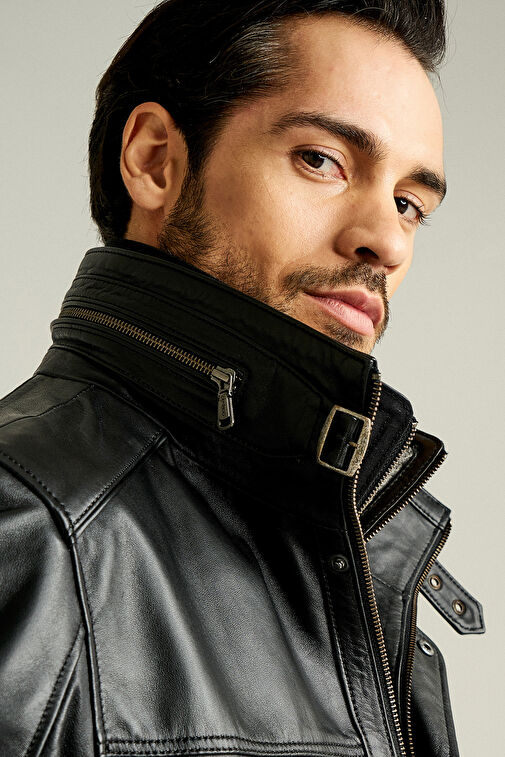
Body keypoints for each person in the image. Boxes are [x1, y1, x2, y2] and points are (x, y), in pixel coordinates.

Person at [0, 1, 485, 756]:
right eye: (321, 160)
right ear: (156, 160)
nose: (386, 241)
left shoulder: (350, 553)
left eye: (408, 204)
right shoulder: (27, 531)